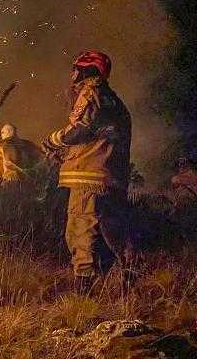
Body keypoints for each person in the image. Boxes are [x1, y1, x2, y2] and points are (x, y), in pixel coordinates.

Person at [41, 50, 133, 293]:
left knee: (80, 231)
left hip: (88, 178)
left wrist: (54, 140)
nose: (73, 74)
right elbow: (101, 137)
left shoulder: (90, 93)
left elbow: (80, 129)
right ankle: (129, 283)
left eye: (77, 68)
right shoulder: (115, 101)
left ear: (88, 70)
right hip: (111, 178)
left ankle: (84, 295)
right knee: (112, 233)